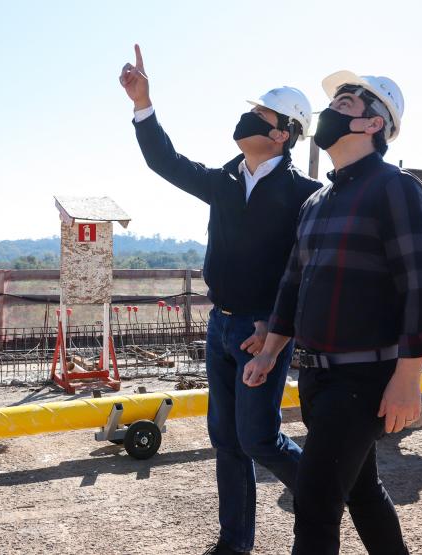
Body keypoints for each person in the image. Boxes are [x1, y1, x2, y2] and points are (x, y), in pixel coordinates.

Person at [119, 44, 321, 554]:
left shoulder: (306, 195)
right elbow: (165, 161)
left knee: (258, 439)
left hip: (262, 331)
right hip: (221, 327)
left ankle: (321, 493)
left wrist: (276, 331)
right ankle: (235, 544)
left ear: (283, 133)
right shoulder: (225, 183)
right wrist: (143, 103)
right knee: (226, 443)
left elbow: (307, 276)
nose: (246, 118)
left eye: (260, 114)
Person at [244, 70, 422, 554]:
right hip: (317, 378)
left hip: (365, 380)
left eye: (347, 102)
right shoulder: (316, 201)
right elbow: (294, 283)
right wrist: (270, 352)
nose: (332, 108)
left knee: (314, 506)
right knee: (361, 491)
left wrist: (407, 379)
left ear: (373, 125)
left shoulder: (396, 188)